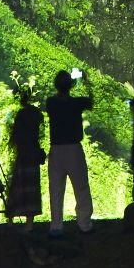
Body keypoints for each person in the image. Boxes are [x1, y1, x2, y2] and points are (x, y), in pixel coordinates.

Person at [44, 69, 95, 236]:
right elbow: (91, 102)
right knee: (81, 187)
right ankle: (84, 224)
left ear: (56, 86)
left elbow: (56, 99)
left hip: (56, 149)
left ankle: (56, 226)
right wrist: (85, 81)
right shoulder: (77, 103)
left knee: (56, 189)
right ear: (71, 86)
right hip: (73, 148)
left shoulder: (51, 102)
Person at [4, 86, 45, 224]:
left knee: (17, 185)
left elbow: (15, 136)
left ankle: (10, 219)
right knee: (32, 188)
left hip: (22, 154)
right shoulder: (37, 113)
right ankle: (29, 223)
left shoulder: (20, 114)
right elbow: (39, 135)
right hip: (33, 153)